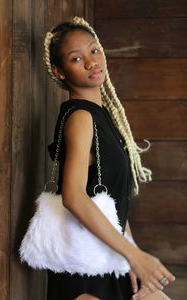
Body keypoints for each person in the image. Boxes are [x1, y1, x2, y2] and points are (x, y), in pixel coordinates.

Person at [43, 16, 175, 300]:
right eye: (76, 58)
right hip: (84, 270)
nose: (91, 61)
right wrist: (134, 255)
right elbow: (73, 197)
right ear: (59, 71)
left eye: (94, 50)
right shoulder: (79, 117)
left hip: (111, 257)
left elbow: (112, 201)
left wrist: (133, 257)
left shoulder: (103, 116)